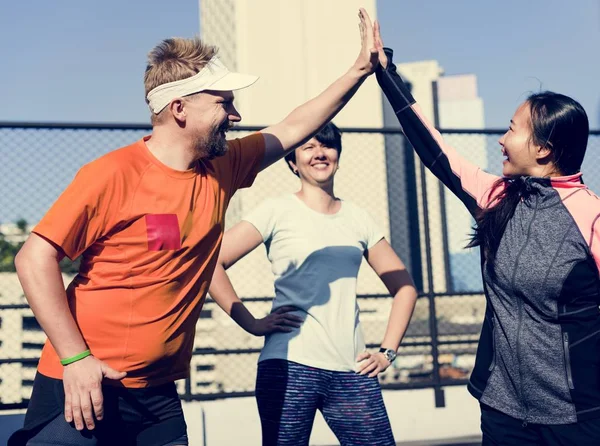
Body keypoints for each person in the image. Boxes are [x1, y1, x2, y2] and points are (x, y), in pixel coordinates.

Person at [9, 9, 381, 445]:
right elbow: (33, 257)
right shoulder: (112, 174)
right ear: (179, 108)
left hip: (158, 395)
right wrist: (76, 360)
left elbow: (296, 124)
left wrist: (361, 69)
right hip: (86, 386)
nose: (236, 115)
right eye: (224, 103)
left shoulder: (222, 167)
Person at [373, 20, 600, 446]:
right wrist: (387, 73)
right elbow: (435, 148)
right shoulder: (496, 196)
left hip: (576, 413)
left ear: (544, 148)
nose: (501, 139)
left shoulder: (591, 216)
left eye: (512, 129)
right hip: (502, 407)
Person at [208, 121, 418, 446]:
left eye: (327, 146)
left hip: (352, 370)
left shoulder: (358, 217)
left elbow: (405, 288)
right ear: (292, 162)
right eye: (308, 147)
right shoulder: (275, 210)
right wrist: (250, 323)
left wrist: (387, 352)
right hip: (289, 366)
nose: (319, 153)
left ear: (337, 155)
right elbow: (211, 262)